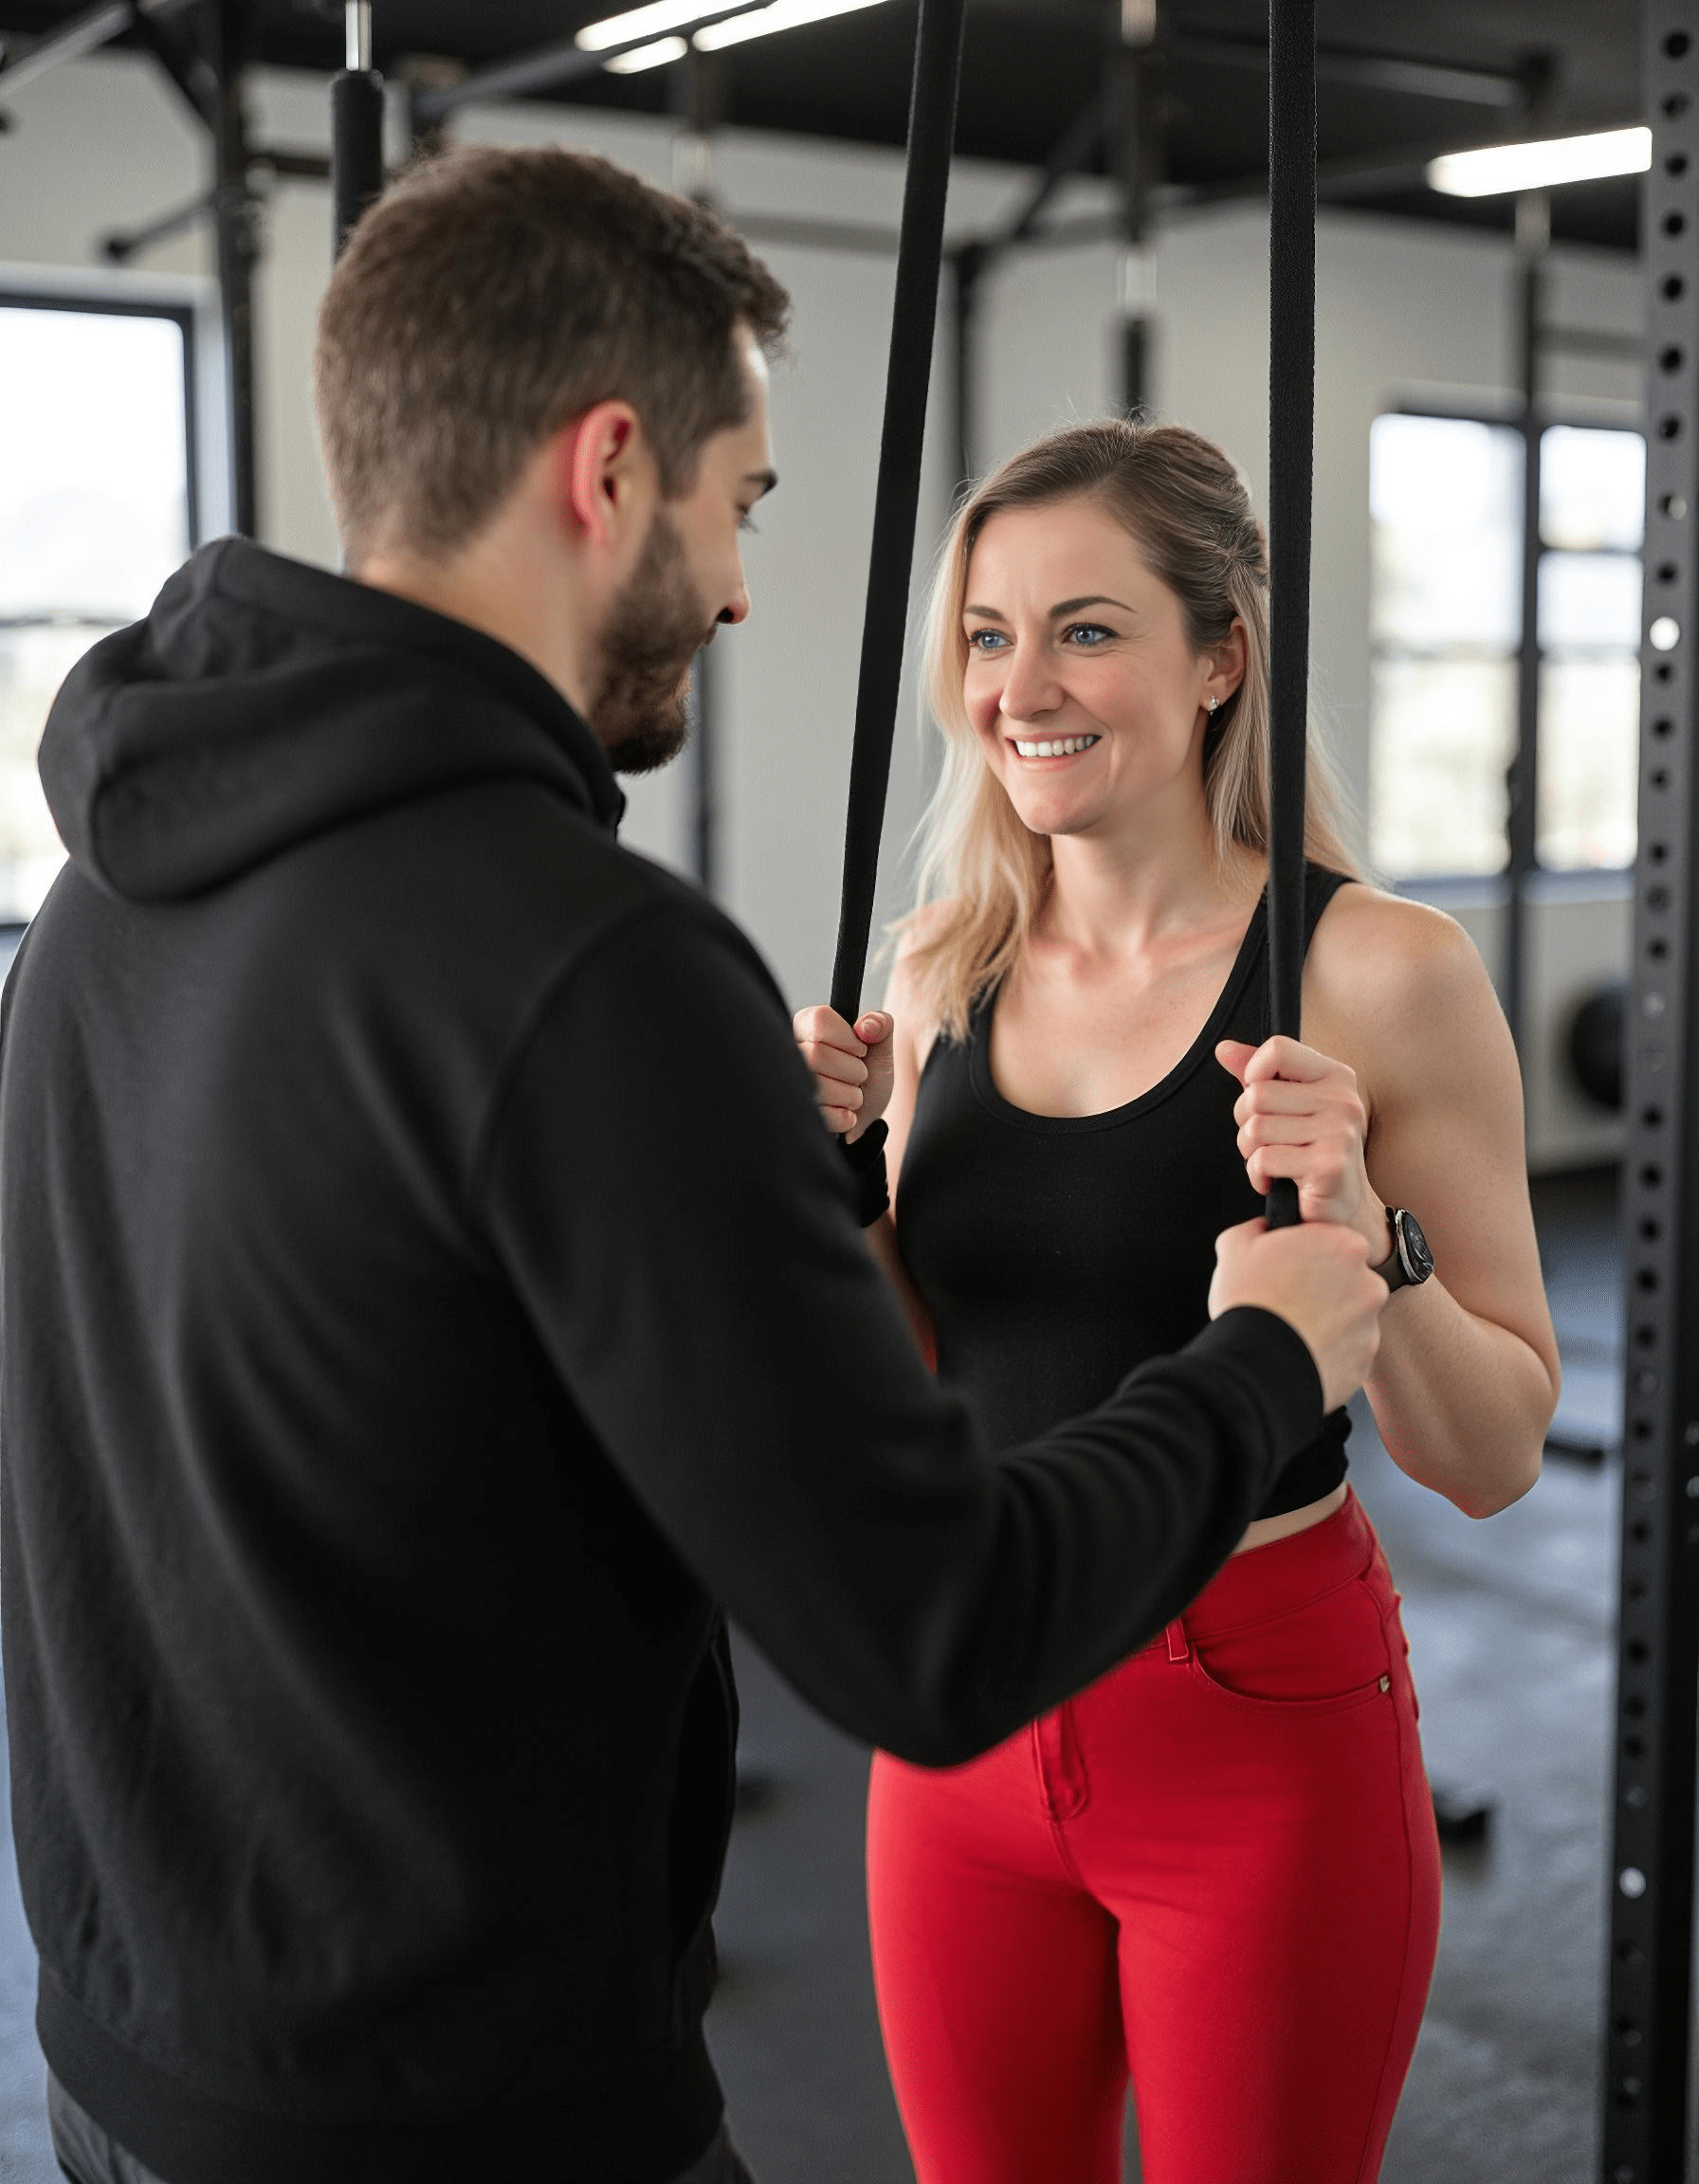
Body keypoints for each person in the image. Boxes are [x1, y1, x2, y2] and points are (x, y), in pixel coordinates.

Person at [0, 152, 1384, 2184]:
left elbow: (358, 1386)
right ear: (611, 468)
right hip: (473, 2109)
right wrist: (1261, 1359)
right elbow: (926, 1635)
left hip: (132, 2073)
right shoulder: (589, 968)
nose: (740, 586)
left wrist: (794, 1217)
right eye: (738, 503)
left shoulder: (106, 892)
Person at [795, 419, 1562, 2184]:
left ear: (1222, 656)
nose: (1021, 686)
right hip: (971, 1702)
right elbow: (916, 1378)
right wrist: (826, 1195)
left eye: (1086, 628)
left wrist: (1371, 1226)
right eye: (988, 634)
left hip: (1254, 1725)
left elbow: (1499, 1451)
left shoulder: (1376, 970)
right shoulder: (943, 965)